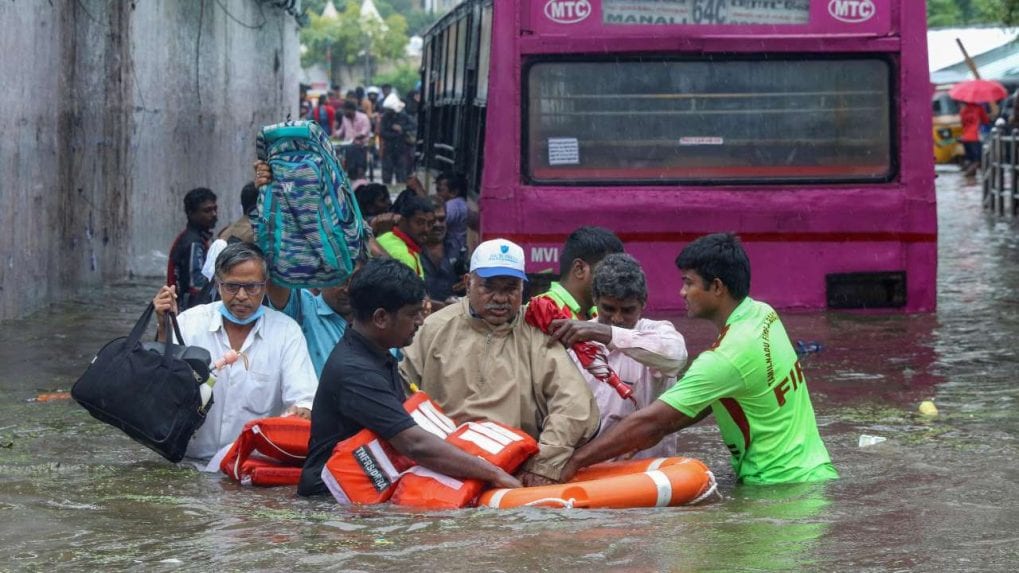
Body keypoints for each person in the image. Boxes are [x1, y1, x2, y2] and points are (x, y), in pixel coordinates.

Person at [561, 233, 838, 485]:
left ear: (716, 287)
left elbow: (654, 422)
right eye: (608, 309)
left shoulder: (723, 359)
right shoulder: (764, 315)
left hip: (775, 485)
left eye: (688, 283)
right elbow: (702, 402)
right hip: (811, 470)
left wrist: (576, 461)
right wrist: (644, 435)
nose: (682, 292)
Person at [298, 259, 522, 497]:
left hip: (363, 489)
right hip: (331, 499)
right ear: (381, 318)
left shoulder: (374, 350)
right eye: (412, 314)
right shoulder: (356, 372)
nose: (420, 322)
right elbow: (414, 444)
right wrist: (495, 473)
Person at [401, 239, 599, 486]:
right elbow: (401, 392)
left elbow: (574, 404)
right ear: (468, 283)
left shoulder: (535, 331)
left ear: (522, 289)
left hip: (513, 472)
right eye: (489, 287)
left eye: (511, 288)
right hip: (442, 467)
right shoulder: (435, 327)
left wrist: (545, 464)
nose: (500, 298)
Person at [152, 242, 318, 461]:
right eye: (232, 287)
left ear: (265, 286)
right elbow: (159, 385)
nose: (241, 296)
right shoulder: (189, 323)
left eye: (252, 287)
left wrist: (300, 412)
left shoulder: (287, 332)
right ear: (218, 285)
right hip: (186, 462)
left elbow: (304, 398)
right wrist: (164, 327)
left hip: (249, 467)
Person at [549, 253, 688, 459]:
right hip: (585, 468)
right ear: (595, 300)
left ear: (643, 303)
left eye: (627, 310)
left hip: (643, 472)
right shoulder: (573, 339)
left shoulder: (659, 333)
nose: (617, 318)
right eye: (608, 309)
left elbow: (676, 358)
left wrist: (605, 333)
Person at [266, 257, 363, 378]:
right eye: (340, 279)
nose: (347, 289)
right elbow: (276, 277)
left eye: (355, 280)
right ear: (320, 279)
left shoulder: (377, 319)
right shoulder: (304, 307)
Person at [542, 226, 624, 320]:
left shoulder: (597, 312)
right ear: (579, 269)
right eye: (609, 271)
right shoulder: (542, 308)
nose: (615, 281)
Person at [167, 187, 218, 311]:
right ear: (191, 213)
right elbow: (197, 286)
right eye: (207, 211)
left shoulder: (193, 238)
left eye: (215, 209)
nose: (214, 214)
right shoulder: (193, 243)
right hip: (189, 309)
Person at [421, 198, 467, 306]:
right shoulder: (410, 248)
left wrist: (467, 283)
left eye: (442, 219)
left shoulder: (458, 247)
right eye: (432, 221)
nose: (438, 225)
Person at [376, 195, 434, 278]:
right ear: (402, 221)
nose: (426, 229)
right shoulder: (404, 256)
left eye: (430, 224)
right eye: (420, 222)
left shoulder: (385, 237)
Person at [379, 93, 412, 185]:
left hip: (401, 147)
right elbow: (382, 132)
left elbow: (412, 126)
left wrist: (401, 128)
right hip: (389, 147)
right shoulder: (385, 117)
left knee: (401, 170)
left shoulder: (404, 116)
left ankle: (400, 186)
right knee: (387, 170)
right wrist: (395, 134)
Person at [336, 100, 372, 180]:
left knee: (357, 151)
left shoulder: (363, 117)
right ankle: (349, 172)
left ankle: (360, 172)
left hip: (361, 144)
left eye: (346, 110)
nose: (344, 112)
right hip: (348, 145)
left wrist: (357, 136)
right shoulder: (345, 118)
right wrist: (335, 134)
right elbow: (341, 131)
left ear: (351, 110)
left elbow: (365, 131)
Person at [436, 172, 469, 255]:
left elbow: (435, 225)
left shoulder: (452, 206)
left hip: (451, 249)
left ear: (453, 192)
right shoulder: (461, 203)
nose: (437, 194)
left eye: (440, 190)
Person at [960, 101, 989, 176]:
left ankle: (971, 181)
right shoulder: (979, 108)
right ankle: (966, 175)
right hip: (975, 137)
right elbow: (985, 120)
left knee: (970, 159)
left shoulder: (963, 109)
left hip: (965, 137)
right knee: (978, 160)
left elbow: (962, 122)